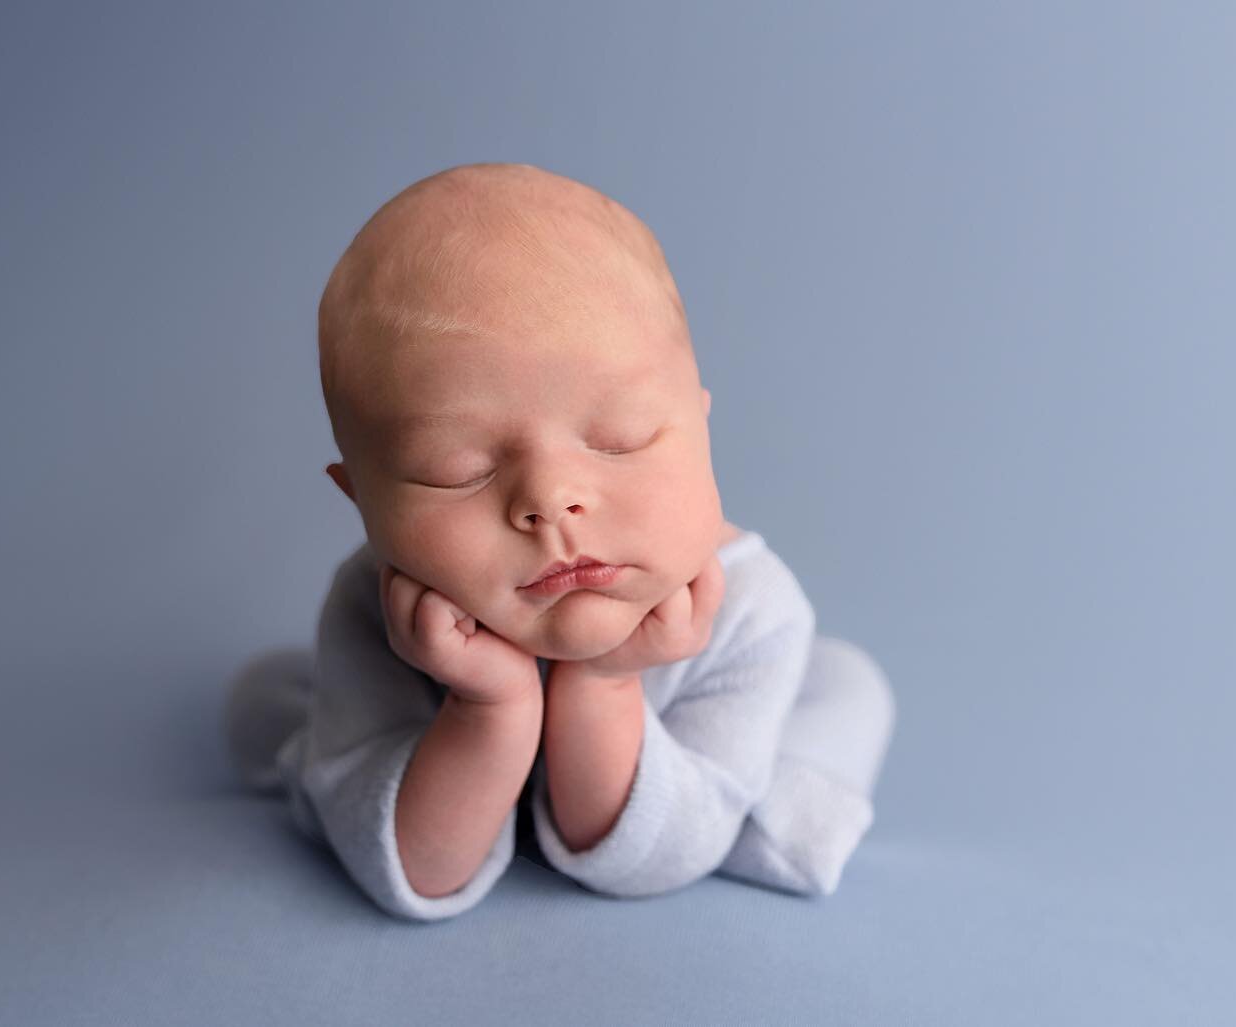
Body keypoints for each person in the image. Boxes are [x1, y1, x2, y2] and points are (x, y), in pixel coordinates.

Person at [222, 162, 896, 921]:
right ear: (363, 500)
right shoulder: (372, 609)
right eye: (458, 470)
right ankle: (320, 757)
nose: (549, 499)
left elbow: (657, 862)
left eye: (619, 439)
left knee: (847, 686)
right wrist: (492, 708)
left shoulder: (747, 605)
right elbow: (412, 870)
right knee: (268, 695)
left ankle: (764, 811)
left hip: (675, 768)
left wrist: (605, 682)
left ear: (701, 426)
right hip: (443, 760)